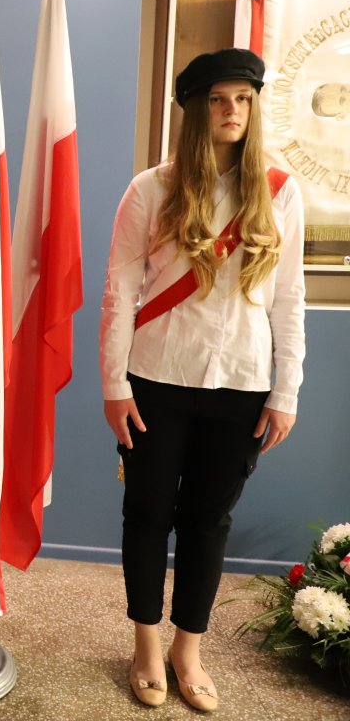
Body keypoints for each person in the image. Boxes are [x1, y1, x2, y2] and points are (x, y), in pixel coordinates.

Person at [100, 48, 305, 712]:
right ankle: (146, 643)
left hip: (242, 382)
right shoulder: (151, 189)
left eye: (243, 99)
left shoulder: (280, 190)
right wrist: (114, 385)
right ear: (195, 109)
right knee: (147, 514)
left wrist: (286, 390)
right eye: (218, 99)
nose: (231, 111)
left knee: (209, 521)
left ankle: (188, 648)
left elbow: (289, 298)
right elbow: (120, 291)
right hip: (156, 378)